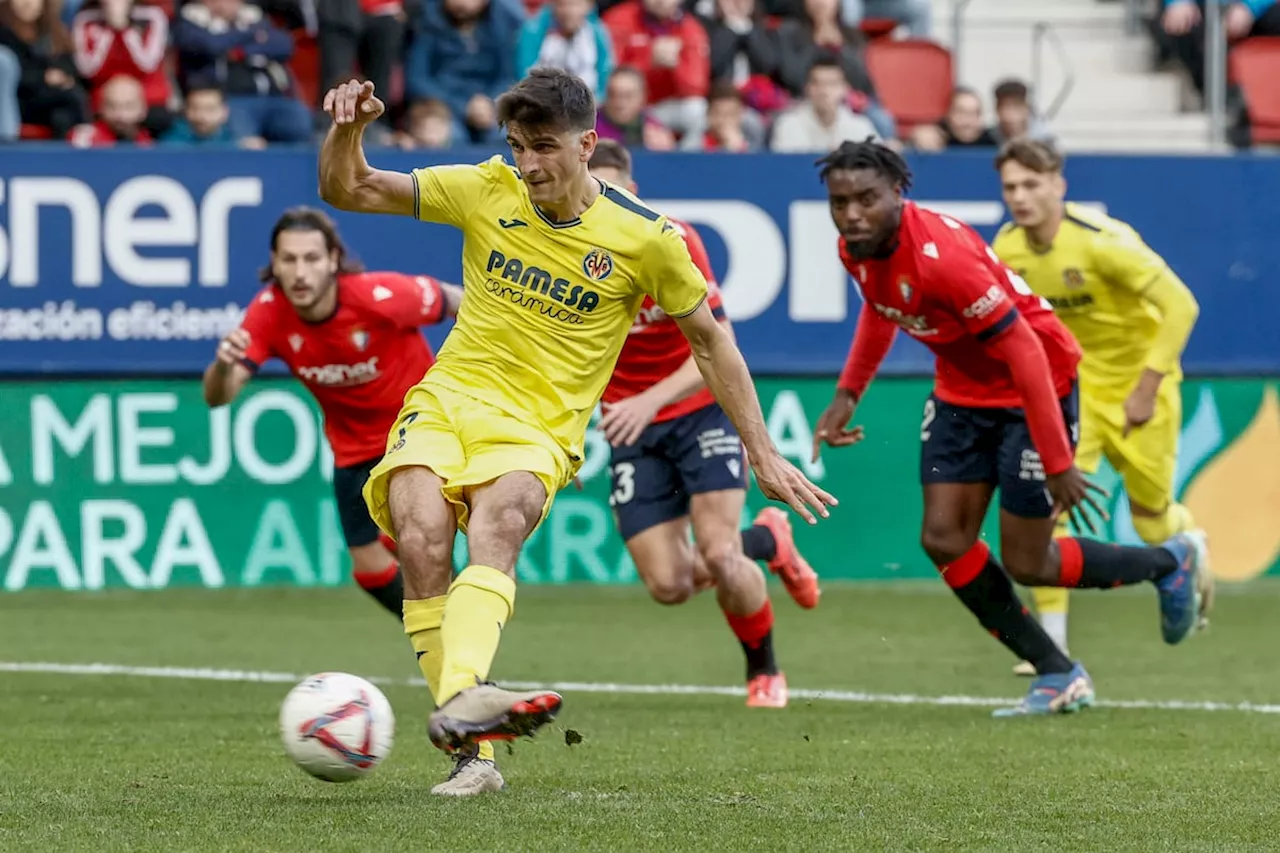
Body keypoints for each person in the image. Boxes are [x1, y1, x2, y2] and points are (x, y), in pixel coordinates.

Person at [317, 68, 834, 796]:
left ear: (588, 143)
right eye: (518, 146)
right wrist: (349, 128)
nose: (529, 164)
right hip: (448, 397)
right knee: (423, 536)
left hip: (539, 423)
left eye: (545, 147)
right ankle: (476, 749)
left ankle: (465, 715)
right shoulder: (486, 187)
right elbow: (351, 190)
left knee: (497, 524)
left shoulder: (648, 238)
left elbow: (714, 343)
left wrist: (763, 450)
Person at [809, 139, 1211, 717]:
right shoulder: (858, 247)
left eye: (865, 199)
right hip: (960, 395)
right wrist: (848, 393)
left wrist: (1056, 461)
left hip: (1035, 387)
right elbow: (882, 306)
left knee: (1029, 561)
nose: (851, 214)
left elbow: (1025, 350)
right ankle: (1057, 671)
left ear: (898, 192)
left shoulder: (942, 256)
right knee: (943, 539)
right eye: (839, 201)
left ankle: (1170, 562)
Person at [589, 138, 820, 709]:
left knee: (719, 553)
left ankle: (764, 672)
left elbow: (720, 346)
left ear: (633, 191)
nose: (601, 201)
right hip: (628, 427)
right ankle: (769, 538)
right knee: (668, 586)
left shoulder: (671, 239)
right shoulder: (565, 254)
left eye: (613, 190)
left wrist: (649, 400)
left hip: (697, 411)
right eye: (593, 192)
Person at [991, 138, 1209, 676]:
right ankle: (1053, 644)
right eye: (1010, 187)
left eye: (1031, 184)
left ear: (1058, 185)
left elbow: (1182, 305)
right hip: (1075, 398)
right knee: (1050, 507)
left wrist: (1146, 387)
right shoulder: (1008, 248)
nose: (1020, 197)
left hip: (1143, 388)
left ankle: (1191, 547)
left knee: (1152, 520)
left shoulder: (1102, 243)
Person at [202, 207, 461, 622]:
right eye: (289, 260)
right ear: (275, 264)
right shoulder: (269, 312)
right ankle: (444, 624)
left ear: (333, 261)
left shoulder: (380, 295)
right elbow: (218, 397)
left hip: (416, 438)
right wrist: (221, 366)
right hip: (353, 452)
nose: (300, 272)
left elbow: (459, 302)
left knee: (421, 544)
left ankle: (458, 641)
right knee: (368, 564)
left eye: (311, 258)